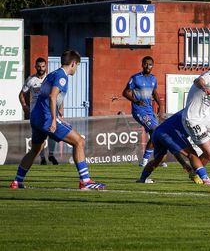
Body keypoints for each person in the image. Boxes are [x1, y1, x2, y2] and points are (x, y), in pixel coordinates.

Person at [10, 50, 105, 190]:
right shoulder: (62, 77)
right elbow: (52, 96)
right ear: (73, 63)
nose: (76, 68)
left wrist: (58, 117)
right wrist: (54, 120)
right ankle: (85, 181)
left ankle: (17, 182)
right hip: (46, 118)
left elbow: (44, 96)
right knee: (79, 141)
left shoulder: (52, 74)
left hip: (36, 117)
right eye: (77, 65)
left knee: (35, 150)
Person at [137, 110, 210, 185]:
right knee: (191, 153)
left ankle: (142, 179)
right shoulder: (195, 113)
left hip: (158, 132)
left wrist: (184, 164)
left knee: (158, 160)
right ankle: (205, 178)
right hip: (168, 133)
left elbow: (174, 149)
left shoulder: (189, 110)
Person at [123, 56, 165, 167]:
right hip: (139, 111)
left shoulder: (153, 79)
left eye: (150, 64)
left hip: (149, 110)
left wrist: (160, 105)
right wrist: (136, 101)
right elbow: (125, 92)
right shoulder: (136, 78)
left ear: (153, 66)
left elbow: (154, 93)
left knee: (157, 134)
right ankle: (146, 160)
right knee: (155, 131)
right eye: (146, 64)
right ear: (142, 65)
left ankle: (156, 159)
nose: (148, 66)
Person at [19, 57, 60, 165]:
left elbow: (57, 95)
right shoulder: (31, 80)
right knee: (39, 136)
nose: (41, 68)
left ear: (46, 66)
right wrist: (24, 106)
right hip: (36, 113)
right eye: (39, 66)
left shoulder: (50, 78)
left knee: (52, 133)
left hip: (49, 111)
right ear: (35, 67)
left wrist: (60, 109)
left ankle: (51, 155)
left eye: (43, 66)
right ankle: (42, 158)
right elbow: (21, 94)